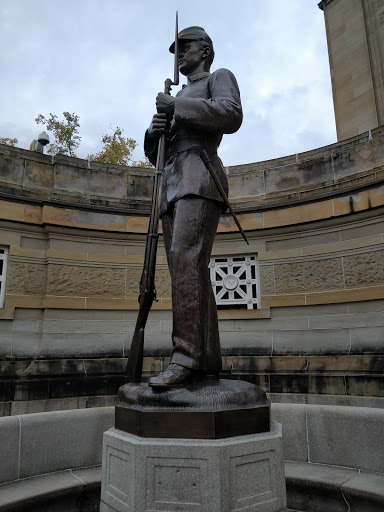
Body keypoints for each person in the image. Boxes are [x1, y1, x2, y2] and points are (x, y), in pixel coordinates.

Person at [144, 26, 243, 387]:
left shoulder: (218, 77)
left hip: (200, 175)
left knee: (186, 261)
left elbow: (230, 114)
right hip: (171, 183)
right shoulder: (180, 94)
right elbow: (158, 153)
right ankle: (207, 361)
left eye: (184, 48)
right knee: (189, 271)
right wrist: (155, 131)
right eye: (177, 51)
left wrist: (177, 107)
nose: (179, 55)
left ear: (204, 50)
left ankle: (185, 357)